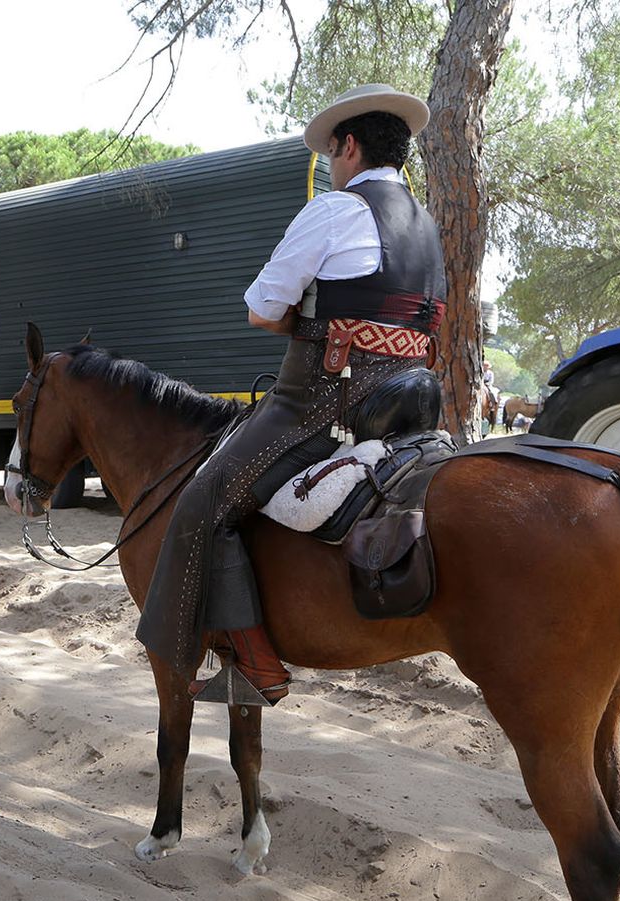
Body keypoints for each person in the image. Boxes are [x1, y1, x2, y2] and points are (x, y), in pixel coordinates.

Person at [136, 83, 446, 706]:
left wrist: (310, 321)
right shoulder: (428, 226)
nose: (331, 166)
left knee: (199, 505)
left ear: (350, 147)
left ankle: (251, 664)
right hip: (412, 411)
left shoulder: (334, 210)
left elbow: (260, 308)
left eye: (332, 154)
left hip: (319, 408)